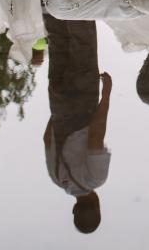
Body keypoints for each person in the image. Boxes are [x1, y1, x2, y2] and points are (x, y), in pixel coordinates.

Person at [42, 12, 111, 234]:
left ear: (98, 206)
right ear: (74, 210)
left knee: (83, 45)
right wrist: (59, 110)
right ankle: (49, 3)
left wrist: (107, 94)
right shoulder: (57, 178)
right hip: (59, 106)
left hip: (81, 105)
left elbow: (95, 136)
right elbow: (46, 138)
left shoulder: (95, 179)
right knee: (59, 45)